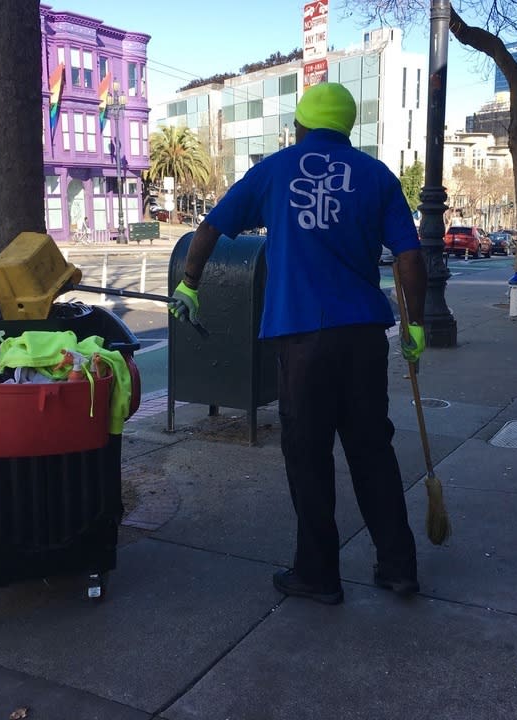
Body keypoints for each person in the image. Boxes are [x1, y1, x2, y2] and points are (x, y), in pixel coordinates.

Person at [168, 82, 427, 605]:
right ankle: (398, 566)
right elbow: (409, 257)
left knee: (308, 456)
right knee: (372, 450)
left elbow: (212, 226)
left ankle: (318, 573)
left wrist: (189, 283)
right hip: (362, 337)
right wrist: (416, 324)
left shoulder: (274, 170)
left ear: (302, 127)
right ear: (346, 128)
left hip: (302, 340)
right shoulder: (377, 176)